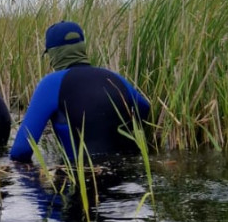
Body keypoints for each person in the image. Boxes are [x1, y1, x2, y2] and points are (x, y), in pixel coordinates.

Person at [10, 21, 151, 163]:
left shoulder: (51, 84)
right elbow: (145, 110)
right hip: (125, 177)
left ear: (54, 54)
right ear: (82, 48)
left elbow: (20, 151)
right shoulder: (115, 78)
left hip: (79, 175)